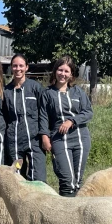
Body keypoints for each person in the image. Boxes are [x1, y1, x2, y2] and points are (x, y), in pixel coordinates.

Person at [39, 55, 93, 196]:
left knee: (77, 181)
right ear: (55, 71)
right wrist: (45, 137)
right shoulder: (47, 93)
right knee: (67, 180)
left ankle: (77, 212)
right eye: (60, 70)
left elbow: (88, 112)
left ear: (71, 75)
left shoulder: (78, 92)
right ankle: (64, 213)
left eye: (66, 71)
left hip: (81, 138)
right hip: (59, 139)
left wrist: (72, 121)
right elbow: (43, 117)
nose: (63, 74)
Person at [3, 54, 47, 182]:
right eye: (15, 66)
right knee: (17, 177)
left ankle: (39, 201)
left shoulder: (35, 87)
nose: (18, 69)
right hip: (15, 139)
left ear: (26, 67)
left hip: (35, 139)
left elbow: (44, 112)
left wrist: (45, 134)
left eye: (21, 66)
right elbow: (4, 115)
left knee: (38, 177)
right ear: (11, 68)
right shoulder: (6, 91)